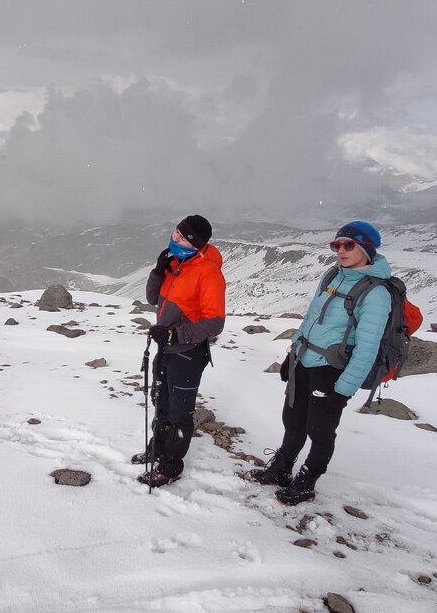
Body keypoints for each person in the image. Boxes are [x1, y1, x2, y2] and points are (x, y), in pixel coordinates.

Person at [251, 220, 391, 505]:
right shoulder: (332, 276)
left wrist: (342, 391)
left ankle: (307, 481)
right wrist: (293, 352)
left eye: (348, 245)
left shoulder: (376, 293)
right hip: (305, 360)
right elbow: (311, 316)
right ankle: (282, 467)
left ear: (366, 248)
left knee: (320, 429)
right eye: (336, 245)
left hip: (331, 370)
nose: (340, 250)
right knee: (293, 420)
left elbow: (367, 349)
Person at [133, 215, 226, 488]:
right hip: (166, 348)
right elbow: (153, 299)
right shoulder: (176, 263)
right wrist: (158, 271)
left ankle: (170, 467)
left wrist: (174, 334)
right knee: (160, 401)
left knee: (179, 413)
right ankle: (157, 450)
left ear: (195, 244)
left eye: (181, 238)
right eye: (175, 233)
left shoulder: (208, 273)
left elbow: (215, 322)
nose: (174, 240)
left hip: (187, 352)